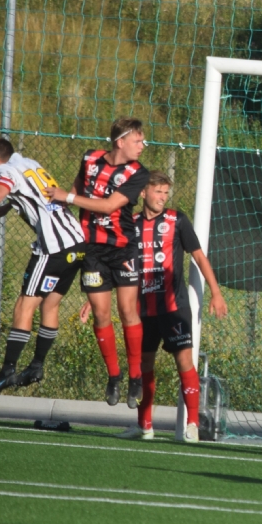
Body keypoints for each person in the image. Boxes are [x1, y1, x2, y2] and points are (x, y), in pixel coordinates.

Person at [84, 172, 229, 442]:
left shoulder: (177, 220)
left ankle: (192, 425)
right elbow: (117, 264)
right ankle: (144, 426)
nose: (163, 197)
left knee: (184, 361)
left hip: (173, 307)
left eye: (165, 192)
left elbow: (199, 256)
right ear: (143, 193)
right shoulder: (130, 224)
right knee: (143, 365)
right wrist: (93, 300)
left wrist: (216, 292)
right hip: (141, 311)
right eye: (158, 192)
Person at [0, 138, 86, 394]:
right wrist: (10, 205)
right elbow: (36, 193)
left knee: (24, 305)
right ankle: (36, 366)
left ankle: (8, 370)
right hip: (76, 242)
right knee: (50, 304)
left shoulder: (5, 170)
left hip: (52, 248)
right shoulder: (28, 163)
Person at [44, 117, 150, 408]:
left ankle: (136, 377)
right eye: (138, 141)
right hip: (92, 251)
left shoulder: (138, 172)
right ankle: (114, 376)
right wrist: (65, 199)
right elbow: (78, 187)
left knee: (127, 310)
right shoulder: (90, 159)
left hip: (123, 250)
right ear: (120, 142)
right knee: (101, 315)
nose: (142, 146)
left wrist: (68, 197)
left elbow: (108, 206)